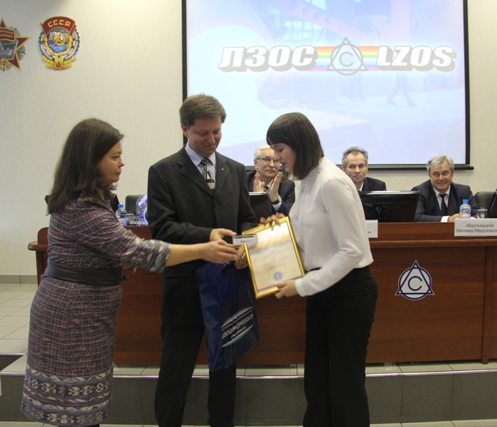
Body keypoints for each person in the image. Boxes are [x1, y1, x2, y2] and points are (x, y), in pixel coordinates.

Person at [21, 118, 237, 427]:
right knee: (73, 410)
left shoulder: (91, 199)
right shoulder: (82, 206)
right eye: (114, 156)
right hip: (72, 318)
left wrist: (113, 262)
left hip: (87, 314)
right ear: (90, 160)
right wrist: (204, 249)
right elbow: (142, 251)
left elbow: (101, 250)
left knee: (84, 407)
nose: (122, 163)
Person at [147, 94, 257, 427]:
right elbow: (162, 228)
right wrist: (207, 235)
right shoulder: (163, 171)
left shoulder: (234, 169)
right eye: (202, 133)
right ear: (185, 129)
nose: (211, 140)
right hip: (185, 286)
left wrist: (247, 246)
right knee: (175, 371)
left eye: (216, 132)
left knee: (225, 368)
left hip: (228, 285)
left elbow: (247, 220)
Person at [265, 112, 378, 426]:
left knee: (344, 385)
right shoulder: (306, 180)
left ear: (299, 144)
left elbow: (352, 250)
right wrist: (279, 230)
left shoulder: (332, 182)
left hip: (348, 293)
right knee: (317, 381)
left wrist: (301, 286)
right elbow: (308, 237)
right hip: (322, 292)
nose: (276, 158)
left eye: (280, 149)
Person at [412, 154, 478, 222]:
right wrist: (448, 220)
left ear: (452, 173)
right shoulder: (420, 192)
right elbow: (417, 217)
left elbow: (476, 215)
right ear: (429, 175)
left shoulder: (464, 192)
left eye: (445, 173)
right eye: (436, 174)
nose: (441, 178)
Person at [247, 144, 295, 216]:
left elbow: (289, 217)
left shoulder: (287, 186)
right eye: (267, 159)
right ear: (256, 163)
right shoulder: (243, 181)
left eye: (276, 160)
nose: (272, 165)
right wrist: (259, 199)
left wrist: (275, 200)